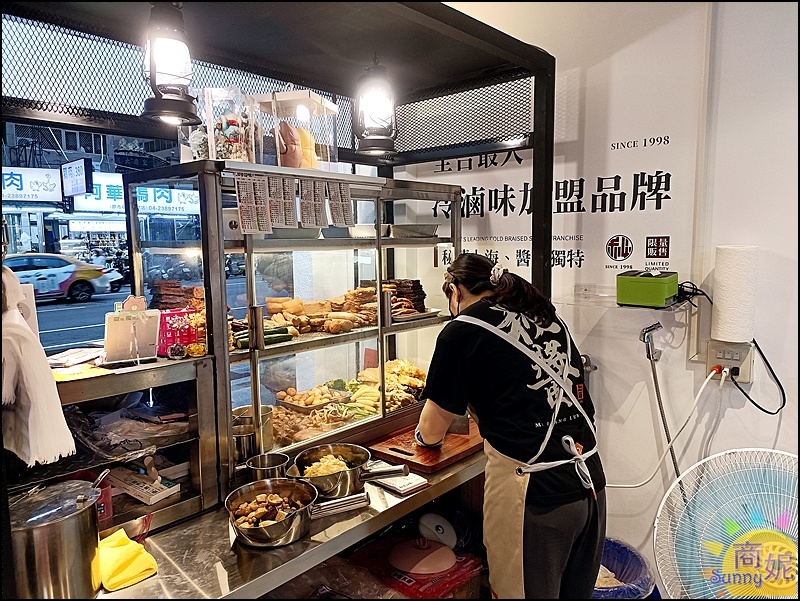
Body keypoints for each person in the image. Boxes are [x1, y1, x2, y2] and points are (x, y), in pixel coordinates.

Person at [415, 253, 606, 599]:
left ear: (455, 291)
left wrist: (421, 436)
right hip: (589, 486)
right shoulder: (545, 316)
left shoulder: (461, 331)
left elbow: (431, 431)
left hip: (533, 496)